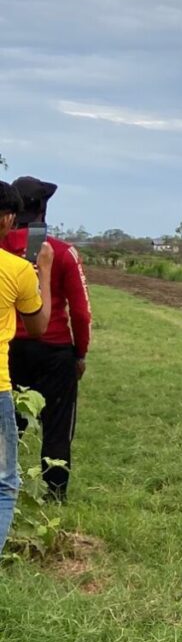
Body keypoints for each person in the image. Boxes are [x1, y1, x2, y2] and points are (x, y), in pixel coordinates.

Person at [1, 175, 91, 503]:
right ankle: (54, 493)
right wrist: (80, 353)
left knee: (10, 423)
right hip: (54, 351)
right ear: (42, 210)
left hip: (10, 349)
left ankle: (6, 485)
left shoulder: (2, 250)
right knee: (57, 425)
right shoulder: (62, 252)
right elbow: (80, 312)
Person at [0, 180, 53, 550]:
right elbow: (38, 326)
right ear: (7, 219)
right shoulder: (17, 270)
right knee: (3, 483)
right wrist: (43, 272)